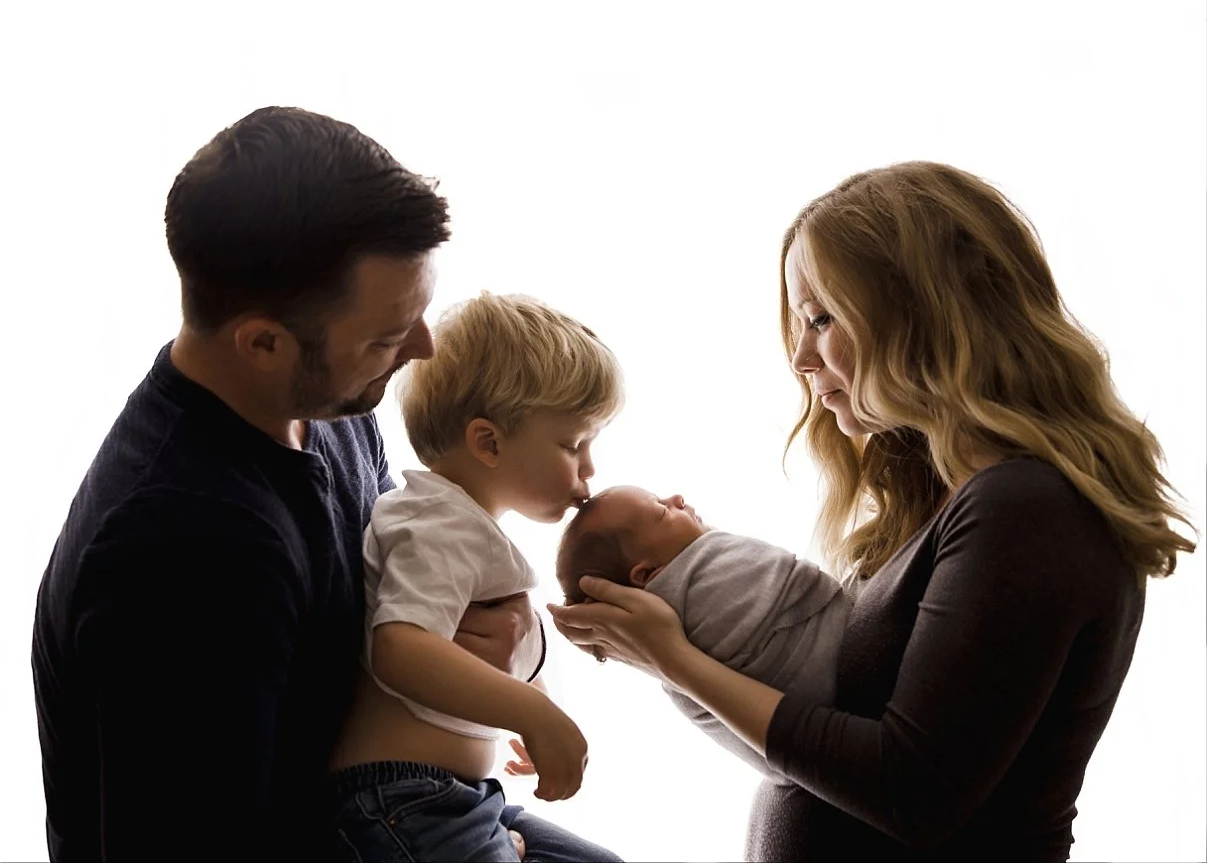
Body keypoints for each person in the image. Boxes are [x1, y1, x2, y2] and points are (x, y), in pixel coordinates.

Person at [548, 161, 1198, 861]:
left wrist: (673, 659)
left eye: (820, 318)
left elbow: (912, 791)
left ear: (921, 313)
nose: (800, 355)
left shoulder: (1027, 507)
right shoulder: (946, 504)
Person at [31, 107, 543, 862]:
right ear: (262, 342)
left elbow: (384, 616)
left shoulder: (327, 405)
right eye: (385, 335)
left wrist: (493, 640)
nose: (423, 347)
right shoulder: (176, 548)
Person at [327, 292, 624, 862]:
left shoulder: (461, 522)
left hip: (451, 797)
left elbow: (474, 648)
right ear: (488, 441)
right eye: (573, 444)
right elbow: (401, 648)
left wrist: (528, 694)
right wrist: (533, 713)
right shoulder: (437, 522)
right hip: (403, 800)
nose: (589, 469)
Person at [555, 485, 850, 783]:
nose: (677, 499)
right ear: (645, 575)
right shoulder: (698, 582)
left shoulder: (658, 640)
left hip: (811, 745)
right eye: (661, 510)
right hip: (829, 725)